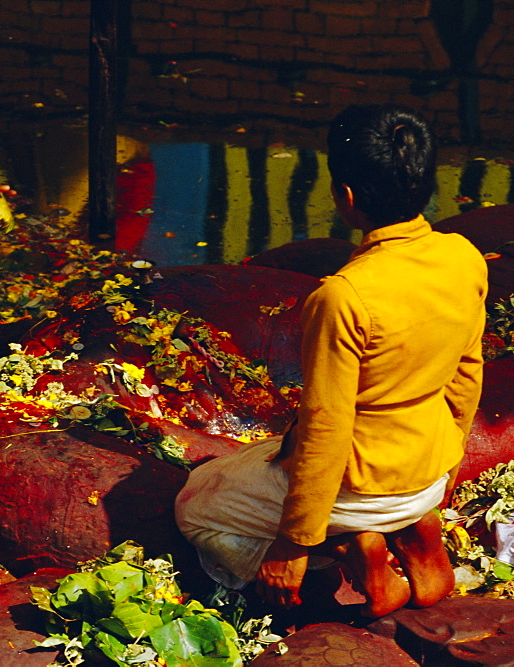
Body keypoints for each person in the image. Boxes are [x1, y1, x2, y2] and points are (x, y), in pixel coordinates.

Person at [175, 104, 487, 617]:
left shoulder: (343, 296)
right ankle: (409, 527)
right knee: (249, 462)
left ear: (344, 197)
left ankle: (344, 549)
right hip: (428, 475)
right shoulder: (464, 256)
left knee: (196, 504)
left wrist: (293, 545)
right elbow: (466, 377)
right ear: (428, 181)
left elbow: (328, 426)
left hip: (359, 488)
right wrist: (444, 477)